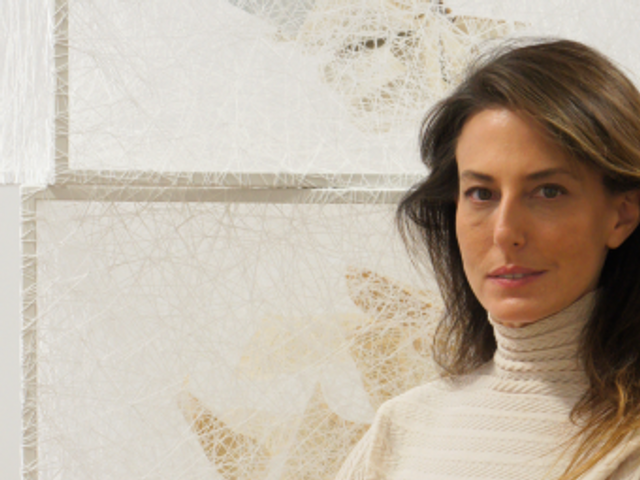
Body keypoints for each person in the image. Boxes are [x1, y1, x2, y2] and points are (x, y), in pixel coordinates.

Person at [335, 39, 640, 479]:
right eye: (482, 194)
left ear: (622, 215)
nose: (505, 232)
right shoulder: (401, 430)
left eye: (548, 192)